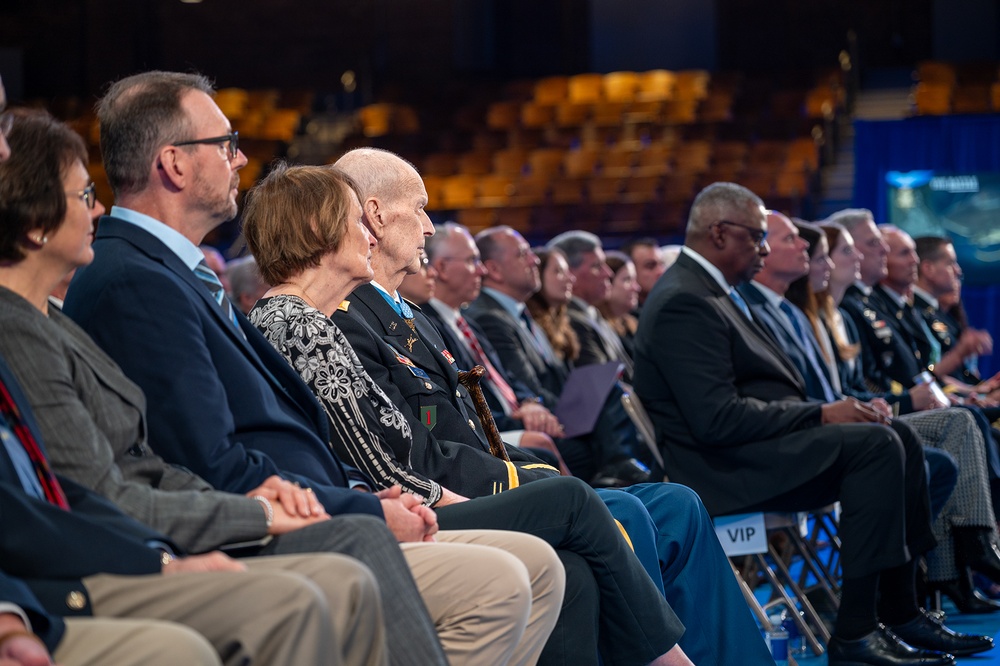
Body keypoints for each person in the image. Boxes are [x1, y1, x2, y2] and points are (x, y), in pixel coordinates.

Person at [60, 71, 561, 666]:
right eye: (224, 144)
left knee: (541, 566)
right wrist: (359, 505)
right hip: (278, 528)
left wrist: (356, 495)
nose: (240, 157)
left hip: (319, 503)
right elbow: (203, 457)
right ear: (173, 164)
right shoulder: (136, 281)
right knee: (510, 573)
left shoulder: (172, 274)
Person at [325, 148, 775, 666]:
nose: (429, 227)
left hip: (496, 479)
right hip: (452, 501)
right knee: (626, 511)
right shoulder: (349, 322)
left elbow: (473, 429)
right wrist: (532, 479)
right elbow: (417, 456)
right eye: (421, 208)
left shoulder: (417, 317)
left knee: (678, 506)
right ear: (377, 214)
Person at [633, 181, 988, 665]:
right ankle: (856, 631)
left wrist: (827, 412)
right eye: (756, 237)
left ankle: (902, 612)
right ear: (718, 233)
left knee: (898, 435)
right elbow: (716, 419)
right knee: (876, 447)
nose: (761, 250)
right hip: (722, 468)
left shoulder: (713, 292)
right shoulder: (684, 300)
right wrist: (821, 412)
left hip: (756, 447)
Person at [471, 229, 652, 484]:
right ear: (495, 270)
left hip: (548, 411)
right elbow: (524, 385)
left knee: (608, 391)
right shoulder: (490, 317)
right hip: (536, 418)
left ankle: (620, 468)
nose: (534, 259)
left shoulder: (518, 315)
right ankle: (617, 468)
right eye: (523, 254)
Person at [419, 222, 569, 471]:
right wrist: (512, 419)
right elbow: (460, 401)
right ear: (442, 268)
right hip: (483, 429)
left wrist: (529, 403)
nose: (481, 271)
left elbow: (506, 378)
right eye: (471, 261)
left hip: (509, 418)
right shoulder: (428, 325)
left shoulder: (467, 322)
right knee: (549, 445)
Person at [547, 231, 635, 381]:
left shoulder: (593, 313)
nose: (607, 273)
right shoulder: (572, 321)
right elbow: (602, 385)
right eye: (597, 266)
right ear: (569, 273)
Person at [913, 236, 997, 390]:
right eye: (950, 263)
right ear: (928, 268)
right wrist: (977, 391)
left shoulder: (940, 316)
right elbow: (924, 374)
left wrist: (987, 387)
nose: (957, 270)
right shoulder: (913, 313)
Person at [597, 251, 641, 362]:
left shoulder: (632, 324)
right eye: (627, 280)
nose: (636, 288)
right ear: (607, 283)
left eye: (635, 280)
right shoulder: (599, 326)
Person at [621, 237, 666, 313]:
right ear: (630, 270)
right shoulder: (623, 316)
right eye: (650, 265)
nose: (661, 271)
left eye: (661, 264)